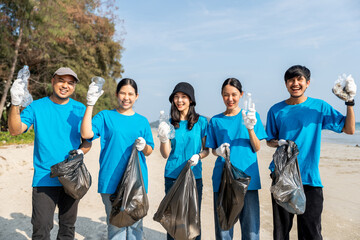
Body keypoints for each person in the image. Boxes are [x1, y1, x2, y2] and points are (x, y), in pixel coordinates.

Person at [265, 65, 356, 240]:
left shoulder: (318, 107)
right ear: (286, 84)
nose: (295, 83)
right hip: (282, 176)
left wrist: (350, 101)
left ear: (307, 83)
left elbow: (350, 129)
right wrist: (280, 143)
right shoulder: (276, 110)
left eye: (300, 79)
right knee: (281, 233)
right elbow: (270, 140)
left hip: (310, 178)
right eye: (291, 80)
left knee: (311, 234)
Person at [8, 67, 92, 239]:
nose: (65, 86)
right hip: (44, 177)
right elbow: (15, 130)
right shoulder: (36, 107)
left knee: (68, 228)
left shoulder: (80, 109)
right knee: (41, 227)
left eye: (70, 83)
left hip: (72, 177)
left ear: (74, 87)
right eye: (61, 80)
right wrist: (15, 103)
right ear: (53, 81)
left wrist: (81, 152)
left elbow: (87, 141)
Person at [81, 78, 154, 240]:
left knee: (135, 228)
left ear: (137, 96)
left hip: (137, 182)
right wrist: (90, 104)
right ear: (116, 94)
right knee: (116, 228)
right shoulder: (105, 116)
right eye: (122, 93)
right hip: (111, 180)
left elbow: (149, 150)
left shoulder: (142, 121)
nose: (126, 97)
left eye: (130, 94)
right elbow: (86, 134)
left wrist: (144, 146)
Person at [206, 78, 267, 240]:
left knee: (251, 230)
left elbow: (257, 147)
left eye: (234, 94)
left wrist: (250, 128)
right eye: (226, 95)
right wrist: (218, 151)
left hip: (248, 179)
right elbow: (212, 150)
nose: (230, 99)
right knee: (224, 229)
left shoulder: (252, 116)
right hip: (223, 180)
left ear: (241, 95)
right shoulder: (216, 121)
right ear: (221, 96)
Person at [158, 82, 209, 240]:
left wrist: (198, 156)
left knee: (192, 222)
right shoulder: (168, 123)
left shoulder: (201, 122)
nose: (179, 100)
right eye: (176, 97)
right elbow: (165, 154)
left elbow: (207, 150)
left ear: (191, 100)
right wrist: (163, 137)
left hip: (194, 177)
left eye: (184, 97)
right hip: (172, 176)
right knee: (173, 221)